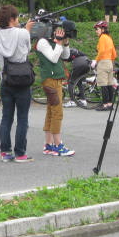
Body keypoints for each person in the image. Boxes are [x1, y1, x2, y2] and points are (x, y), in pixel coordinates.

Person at [0, 5, 35, 162]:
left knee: (6, 118)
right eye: (17, 17)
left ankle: (5, 152)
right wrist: (27, 31)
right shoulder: (23, 33)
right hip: (23, 80)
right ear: (12, 19)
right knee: (22, 118)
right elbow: (27, 50)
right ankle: (20, 153)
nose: (18, 20)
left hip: (7, 81)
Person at [35, 27, 76, 157]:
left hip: (56, 80)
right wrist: (58, 42)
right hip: (51, 80)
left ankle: (48, 145)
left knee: (51, 112)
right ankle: (58, 145)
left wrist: (65, 42)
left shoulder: (54, 42)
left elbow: (66, 56)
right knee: (57, 112)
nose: (58, 33)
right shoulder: (42, 42)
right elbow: (53, 58)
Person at [92, 21, 117, 111]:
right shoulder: (109, 38)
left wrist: (96, 60)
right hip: (109, 62)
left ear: (103, 29)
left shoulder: (102, 38)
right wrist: (112, 63)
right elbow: (114, 54)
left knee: (103, 85)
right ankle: (110, 104)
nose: (96, 31)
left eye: (97, 29)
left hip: (103, 62)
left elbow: (101, 51)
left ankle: (105, 104)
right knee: (109, 84)